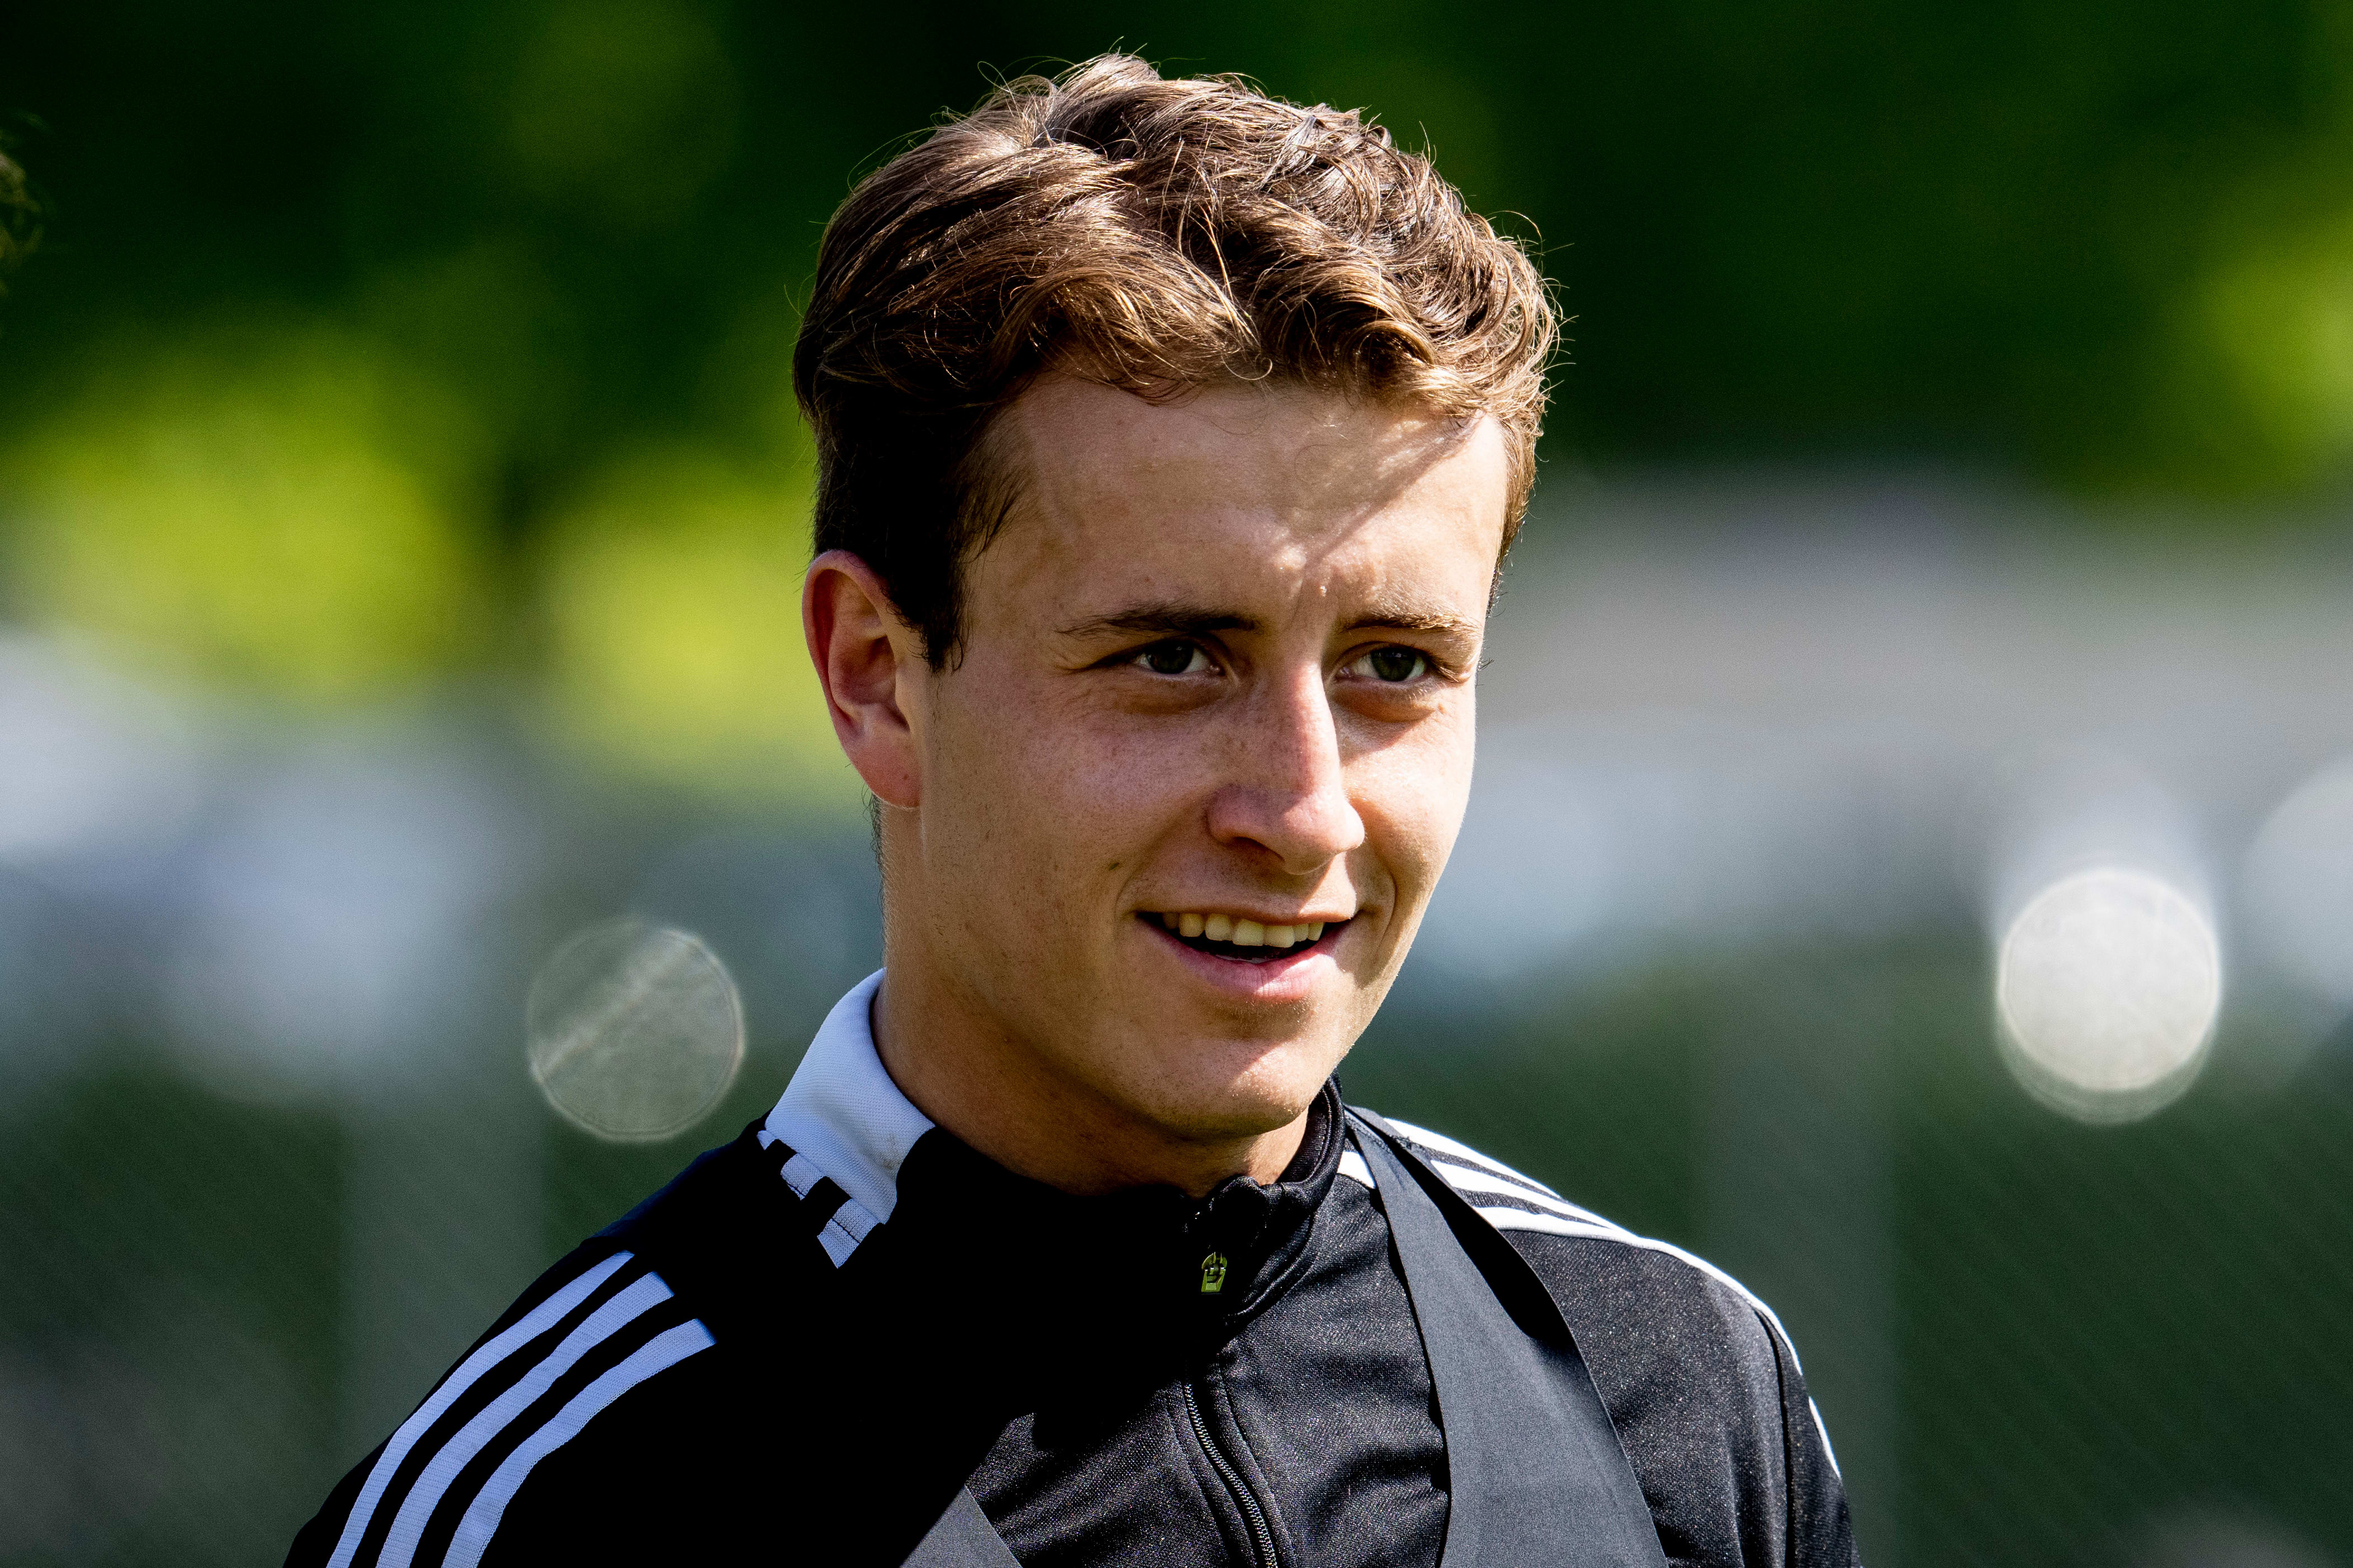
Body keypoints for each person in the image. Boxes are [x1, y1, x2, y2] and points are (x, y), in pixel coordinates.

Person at [287, 54, 1858, 1568]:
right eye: (1172, 657)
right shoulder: (559, 1511)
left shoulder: (1674, 1392)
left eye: (1395, 666)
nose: (1306, 811)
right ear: (876, 678)